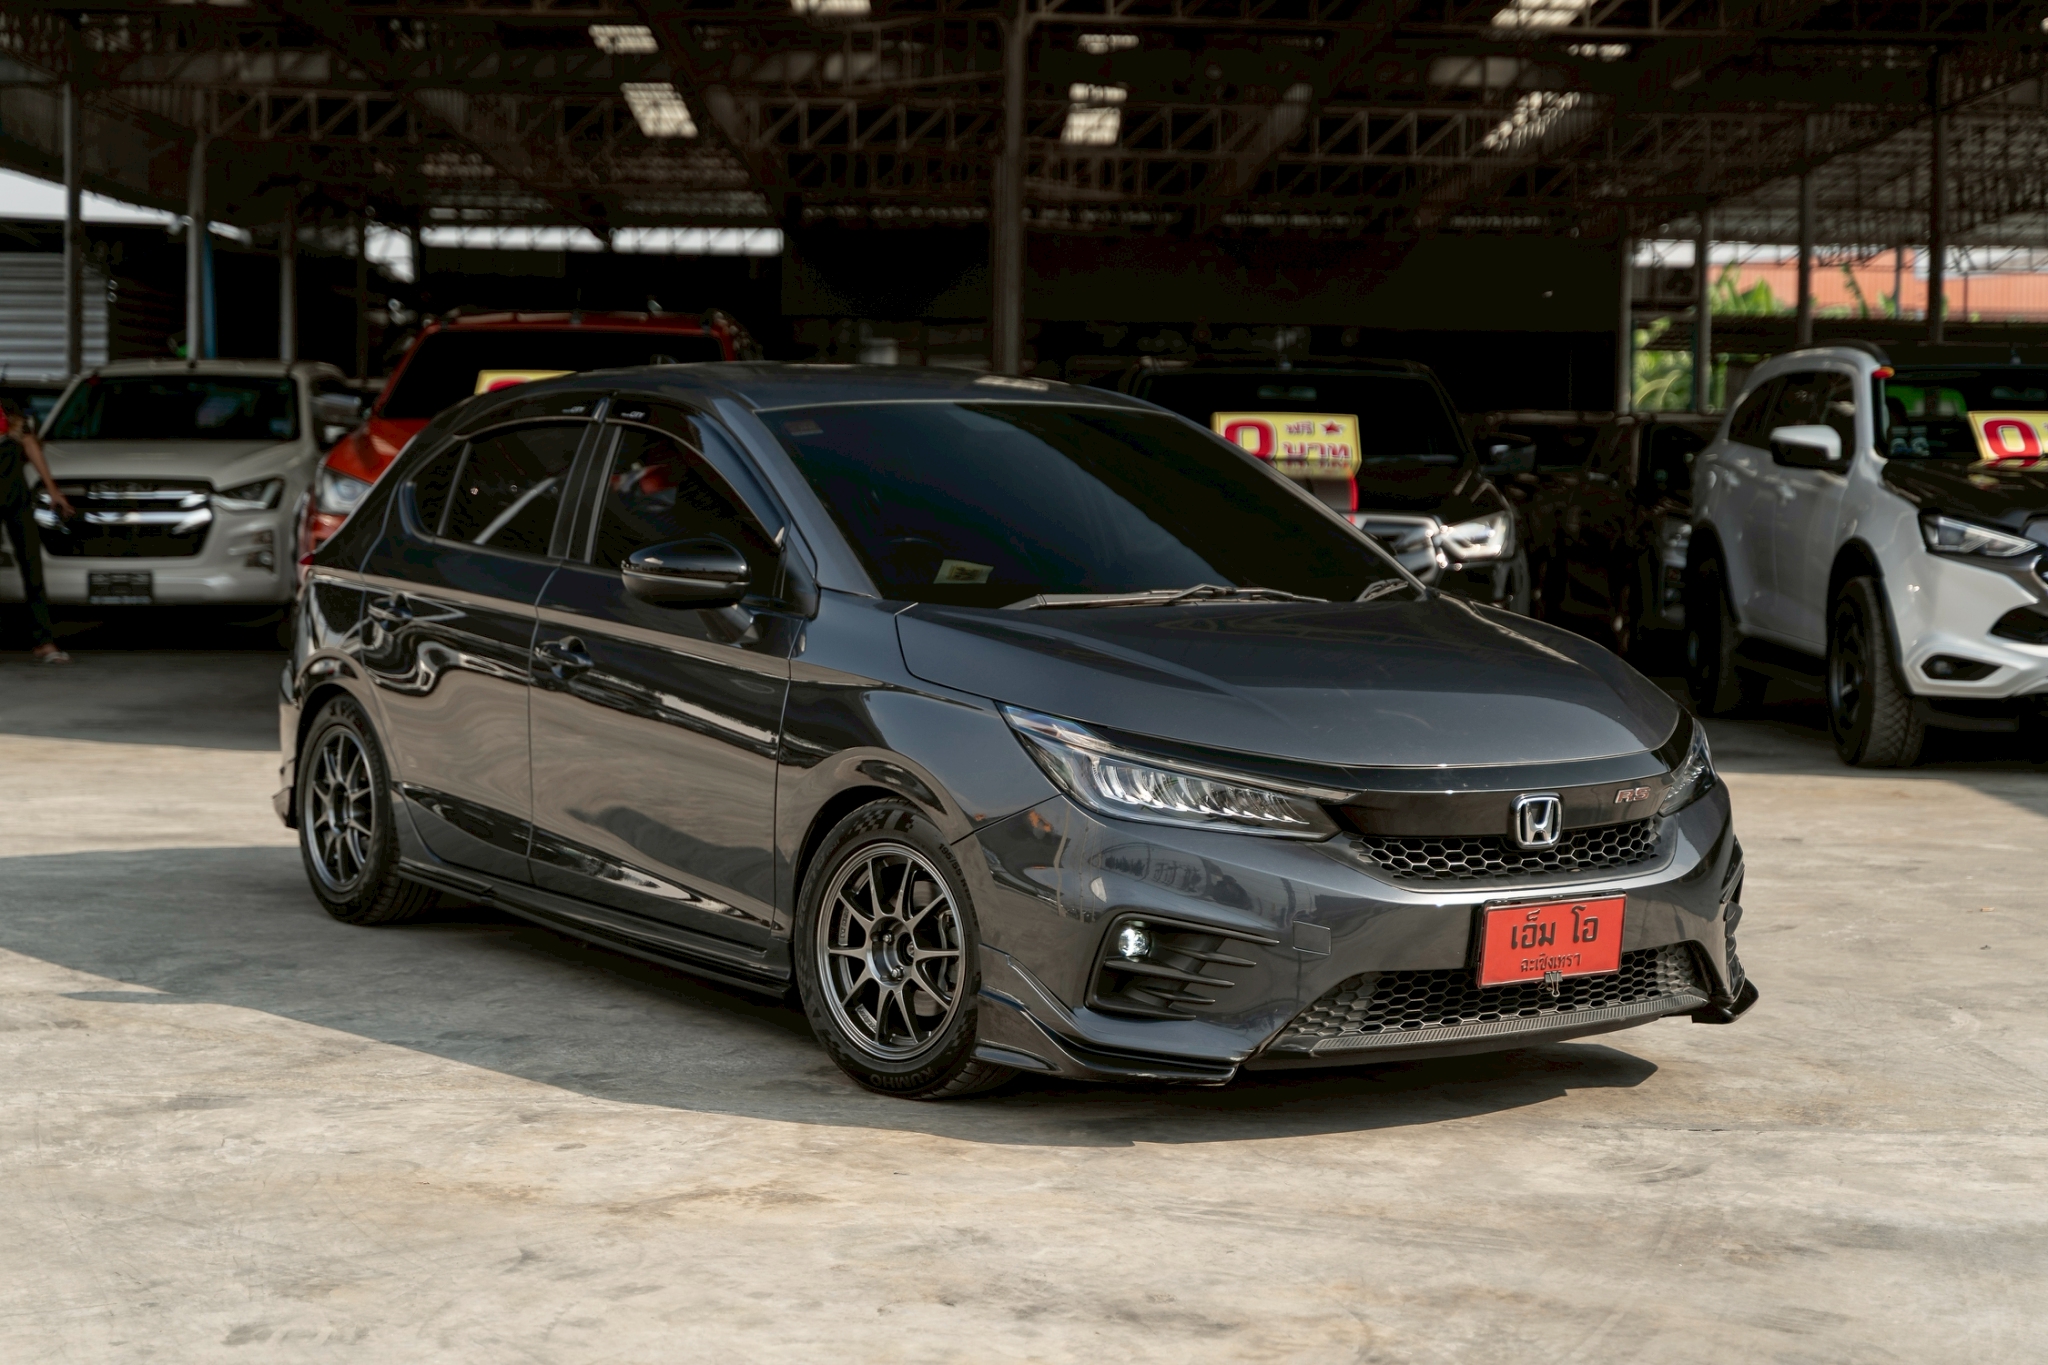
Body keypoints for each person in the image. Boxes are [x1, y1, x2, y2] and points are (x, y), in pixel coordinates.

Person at [0, 396, 75, 664]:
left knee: (32, 566)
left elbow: (30, 444)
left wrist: (53, 491)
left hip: (15, 496)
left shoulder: (8, 407)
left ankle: (44, 642)